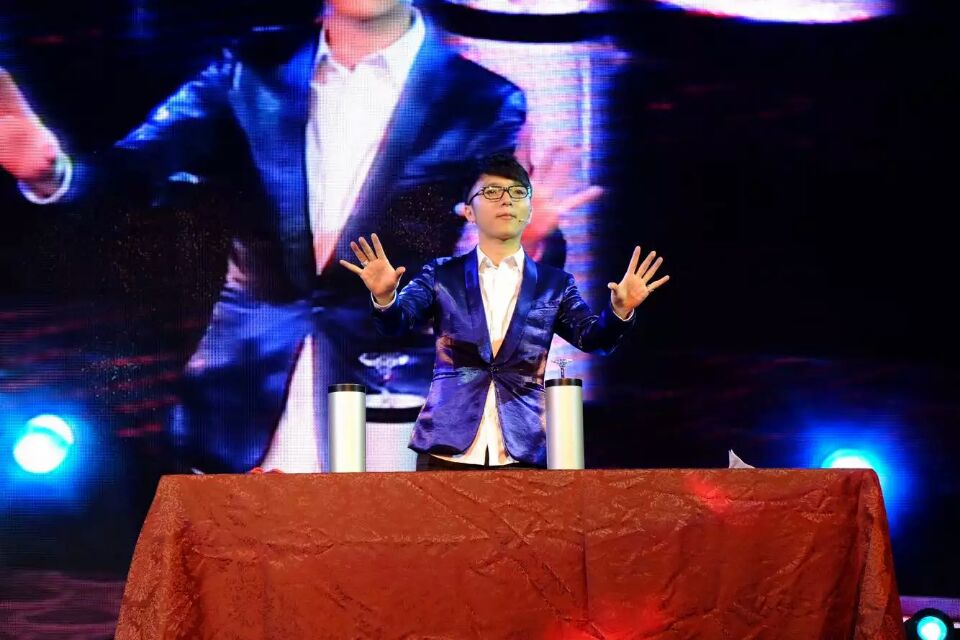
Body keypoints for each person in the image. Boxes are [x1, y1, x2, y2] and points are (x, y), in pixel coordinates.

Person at [0, 1, 595, 473]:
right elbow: (134, 174)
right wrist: (51, 172)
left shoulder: (480, 100)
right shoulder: (248, 69)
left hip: (388, 402)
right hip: (243, 398)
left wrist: (529, 243)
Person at [341, 154, 668, 469]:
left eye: (517, 193)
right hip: (447, 450)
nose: (506, 200)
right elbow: (396, 324)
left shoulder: (554, 284)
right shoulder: (440, 274)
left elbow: (594, 339)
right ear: (469, 212)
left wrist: (619, 310)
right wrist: (385, 297)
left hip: (523, 451)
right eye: (492, 192)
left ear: (528, 210)